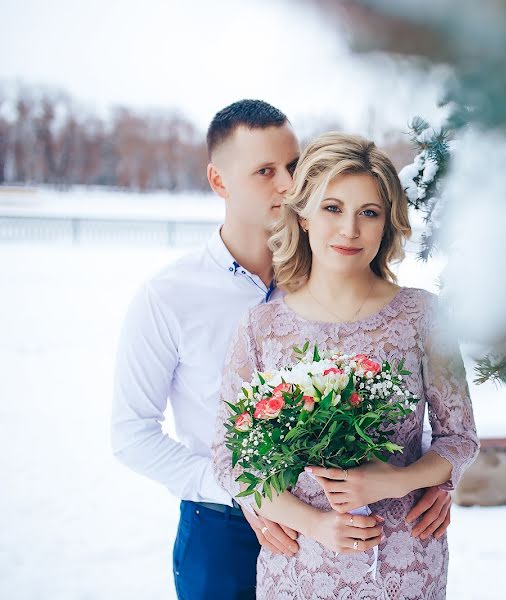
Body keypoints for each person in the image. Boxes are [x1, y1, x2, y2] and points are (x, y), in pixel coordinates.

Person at [111, 101, 452, 600]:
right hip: (223, 525)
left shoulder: (333, 269)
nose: (289, 184)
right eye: (265, 172)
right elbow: (131, 434)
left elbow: (410, 396)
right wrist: (247, 495)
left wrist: (428, 480)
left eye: (293, 165)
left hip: (354, 530)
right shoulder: (170, 296)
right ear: (219, 181)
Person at [210, 131, 479, 599]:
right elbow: (231, 458)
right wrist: (313, 523)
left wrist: (400, 479)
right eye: (333, 208)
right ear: (304, 215)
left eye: (368, 213)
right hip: (300, 565)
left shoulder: (423, 317)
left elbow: (460, 438)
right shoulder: (261, 328)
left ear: (387, 225)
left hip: (404, 562)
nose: (349, 230)